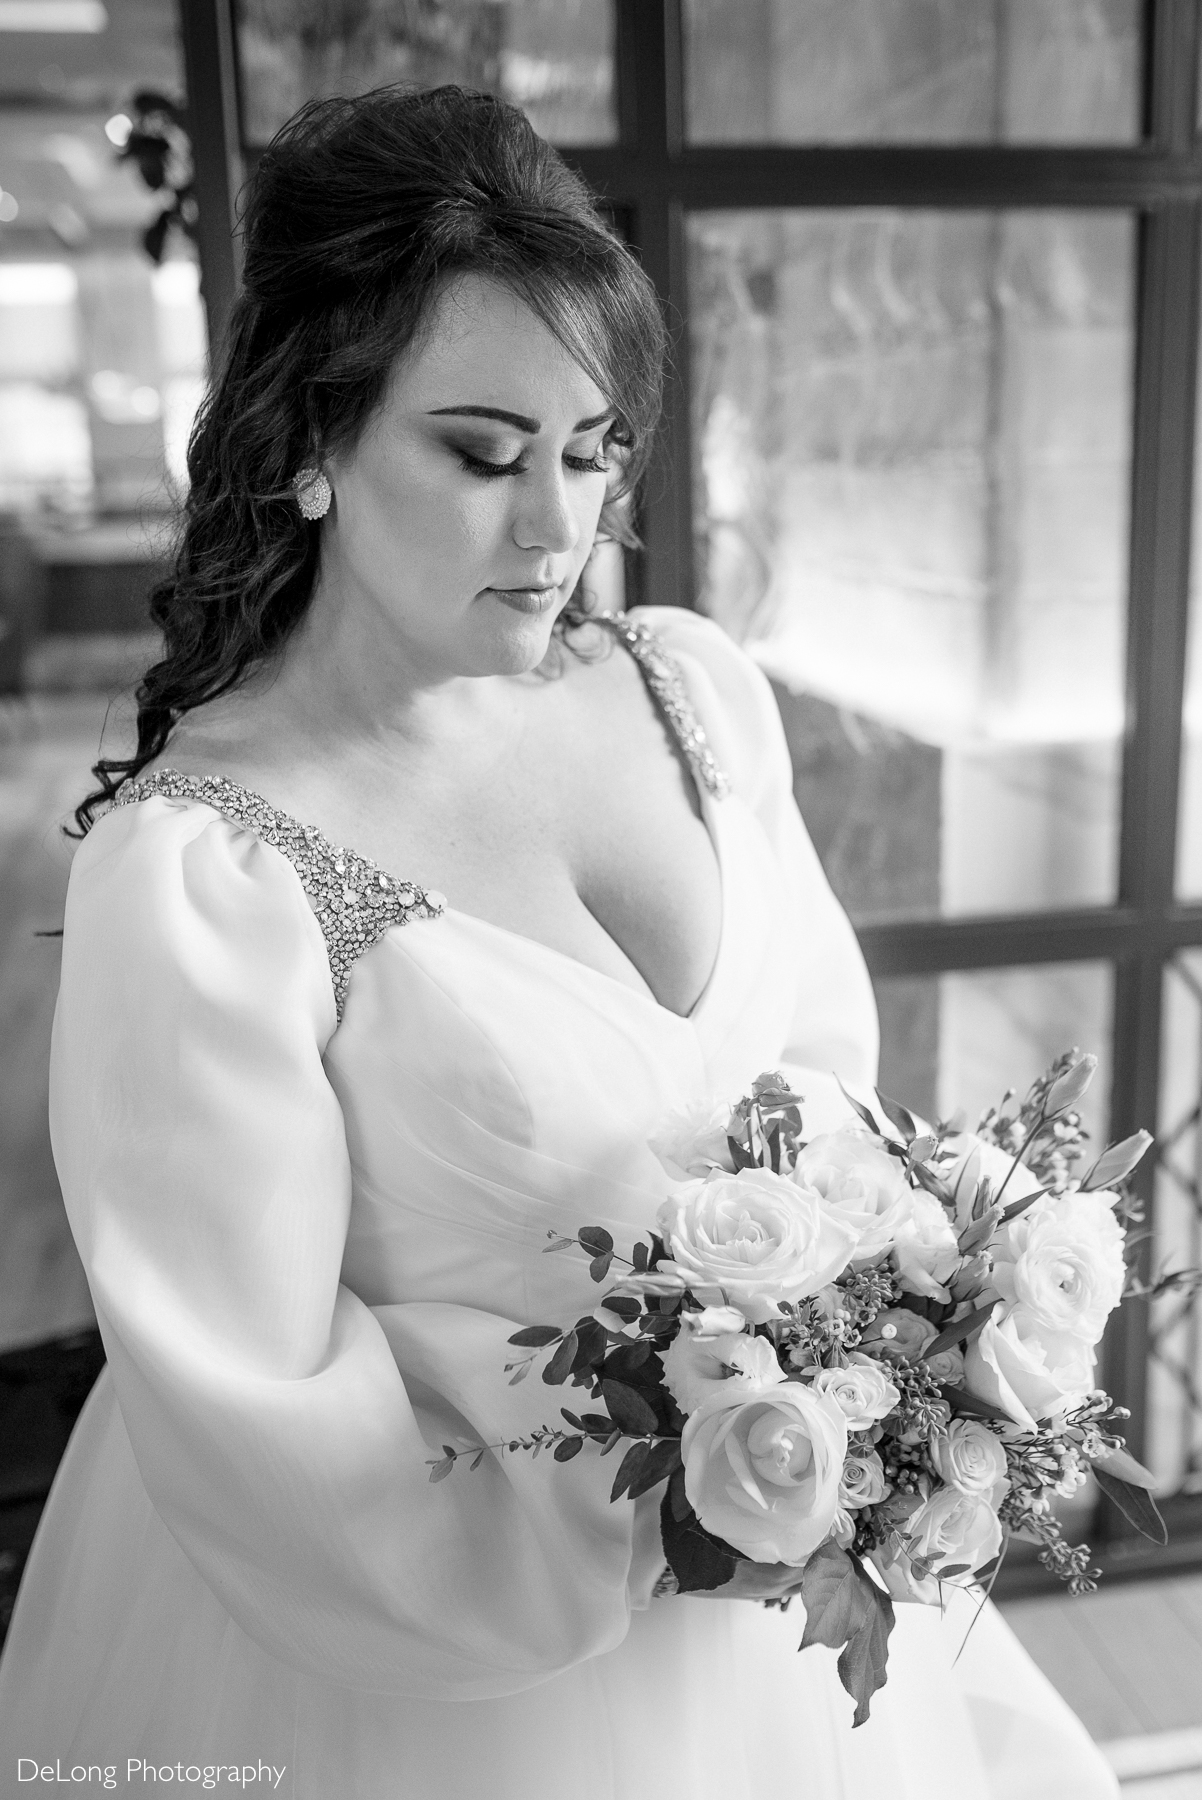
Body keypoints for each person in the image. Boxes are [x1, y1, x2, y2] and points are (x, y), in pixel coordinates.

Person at [0, 86, 1118, 1800]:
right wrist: (670, 1509)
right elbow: (258, 1397)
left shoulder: (687, 688)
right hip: (412, 1661)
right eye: (479, 452)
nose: (555, 531)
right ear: (310, 441)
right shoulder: (209, 873)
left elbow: (819, 1092)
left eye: (590, 453)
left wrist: (883, 1385)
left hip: (786, 1598)